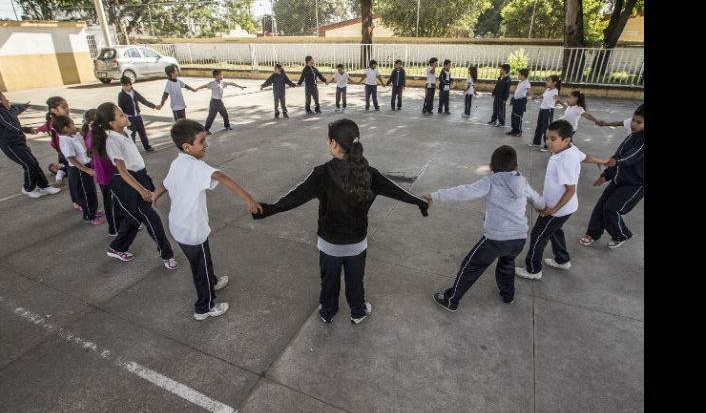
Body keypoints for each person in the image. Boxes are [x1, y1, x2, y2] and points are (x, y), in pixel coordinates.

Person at [252, 119, 429, 324]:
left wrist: (266, 210)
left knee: (329, 281)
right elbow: (399, 191)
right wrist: (420, 202)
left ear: (334, 143)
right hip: (357, 245)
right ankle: (358, 311)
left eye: (328, 141)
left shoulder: (321, 174)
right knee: (355, 282)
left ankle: (327, 312)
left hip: (329, 246)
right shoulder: (370, 174)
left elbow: (292, 199)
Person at [152, 119, 263, 320]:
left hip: (179, 226)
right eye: (202, 141)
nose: (206, 145)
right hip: (192, 230)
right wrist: (249, 200)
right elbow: (221, 176)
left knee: (202, 259)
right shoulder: (196, 166)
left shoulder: (178, 162)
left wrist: (154, 195)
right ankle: (205, 307)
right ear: (187, 147)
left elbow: (166, 184)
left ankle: (211, 281)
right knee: (199, 268)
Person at [426, 145, 545, 312]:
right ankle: (508, 295)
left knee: (471, 266)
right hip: (519, 238)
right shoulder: (522, 181)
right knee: (507, 264)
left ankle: (451, 300)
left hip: (495, 240)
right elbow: (537, 200)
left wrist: (435, 195)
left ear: (490, 167)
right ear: (516, 167)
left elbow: (464, 192)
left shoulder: (490, 181)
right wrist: (544, 207)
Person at [515, 120, 607, 280]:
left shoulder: (565, 160)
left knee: (538, 235)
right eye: (547, 138)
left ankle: (533, 269)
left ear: (566, 140)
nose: (548, 142)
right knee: (555, 231)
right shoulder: (570, 149)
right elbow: (584, 157)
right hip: (562, 207)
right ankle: (562, 259)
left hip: (559, 208)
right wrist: (600, 160)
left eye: (553, 139)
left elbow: (570, 190)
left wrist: (552, 210)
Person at [90, 103, 177, 269]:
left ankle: (116, 247)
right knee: (152, 219)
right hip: (128, 183)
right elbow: (122, 171)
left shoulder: (125, 133)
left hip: (139, 177)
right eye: (121, 115)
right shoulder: (113, 142)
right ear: (111, 123)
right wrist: (141, 189)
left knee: (134, 219)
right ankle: (167, 255)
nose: (126, 116)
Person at [580, 103, 644, 249]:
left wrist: (616, 161)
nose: (633, 124)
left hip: (635, 184)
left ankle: (622, 234)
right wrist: (606, 175)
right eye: (633, 120)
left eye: (639, 122)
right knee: (601, 206)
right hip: (619, 179)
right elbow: (619, 152)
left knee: (611, 209)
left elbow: (630, 157)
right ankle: (592, 233)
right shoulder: (632, 135)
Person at [0, 90, 61, 199]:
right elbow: (10, 126)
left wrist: (26, 105)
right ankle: (28, 188)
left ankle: (44, 187)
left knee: (34, 163)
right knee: (29, 165)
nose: (6, 99)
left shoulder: (8, 109)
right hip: (10, 144)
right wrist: (28, 129)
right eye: (3, 97)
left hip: (20, 141)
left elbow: (16, 108)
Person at [52, 115, 105, 225]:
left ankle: (93, 211)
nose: (74, 126)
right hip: (79, 170)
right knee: (86, 194)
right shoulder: (65, 140)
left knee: (91, 191)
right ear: (65, 128)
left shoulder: (72, 135)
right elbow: (71, 158)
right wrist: (86, 170)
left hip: (85, 167)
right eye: (72, 124)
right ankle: (89, 216)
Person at [83, 108, 121, 236]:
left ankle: (123, 223)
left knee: (119, 199)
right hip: (106, 176)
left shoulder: (103, 134)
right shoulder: (93, 137)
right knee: (110, 202)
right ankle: (113, 227)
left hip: (113, 173)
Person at [195, 69, 246, 135]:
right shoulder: (212, 83)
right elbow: (204, 86)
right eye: (221, 74)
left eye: (222, 74)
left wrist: (240, 86)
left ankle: (227, 126)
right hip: (214, 102)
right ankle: (206, 130)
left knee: (225, 114)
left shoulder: (222, 82)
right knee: (211, 116)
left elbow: (231, 83)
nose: (222, 75)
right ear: (216, 76)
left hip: (219, 102)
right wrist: (196, 89)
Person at [118, 76, 157, 152]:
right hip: (130, 118)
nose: (125, 87)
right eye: (123, 85)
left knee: (142, 133)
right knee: (132, 135)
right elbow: (120, 107)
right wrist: (124, 118)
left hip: (138, 117)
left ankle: (147, 147)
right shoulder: (121, 95)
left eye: (126, 85)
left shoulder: (134, 92)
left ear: (130, 84)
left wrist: (154, 106)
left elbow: (143, 101)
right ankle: (132, 150)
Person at [528, 75, 561, 151]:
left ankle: (547, 145)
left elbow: (557, 99)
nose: (546, 82)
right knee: (539, 126)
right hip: (542, 109)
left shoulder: (555, 91)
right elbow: (542, 96)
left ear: (554, 83)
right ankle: (536, 142)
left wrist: (558, 100)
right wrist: (535, 97)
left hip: (548, 111)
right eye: (547, 81)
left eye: (548, 81)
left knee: (546, 128)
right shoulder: (548, 90)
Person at [507, 68, 531, 136]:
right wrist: (513, 100)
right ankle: (514, 129)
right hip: (516, 100)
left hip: (521, 101)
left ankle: (518, 131)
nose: (518, 75)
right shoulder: (520, 82)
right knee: (513, 115)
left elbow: (529, 90)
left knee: (518, 116)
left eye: (519, 74)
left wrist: (532, 96)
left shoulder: (526, 82)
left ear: (523, 75)